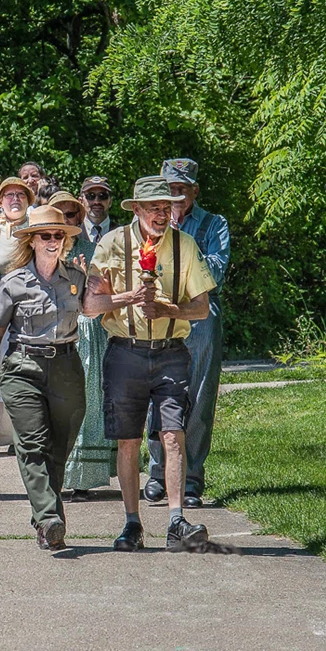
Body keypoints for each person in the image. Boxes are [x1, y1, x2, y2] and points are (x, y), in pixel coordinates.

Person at [83, 176, 217, 552]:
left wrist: (169, 308)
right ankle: (132, 523)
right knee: (128, 441)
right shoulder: (110, 244)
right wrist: (128, 297)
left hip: (171, 351)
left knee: (172, 435)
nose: (162, 213)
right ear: (137, 209)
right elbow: (91, 307)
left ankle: (176, 521)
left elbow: (202, 307)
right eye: (154, 207)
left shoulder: (185, 245)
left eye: (167, 206)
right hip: (124, 351)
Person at [0, 206, 87, 550]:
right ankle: (50, 518)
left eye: (58, 235)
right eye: (45, 235)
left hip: (67, 366)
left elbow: (97, 305)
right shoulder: (14, 282)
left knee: (61, 444)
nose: (52, 240)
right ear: (32, 240)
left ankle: (43, 514)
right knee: (32, 444)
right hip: (23, 369)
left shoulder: (77, 278)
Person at [145, 159, 230, 508]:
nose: (175, 196)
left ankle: (191, 478)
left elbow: (216, 273)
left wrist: (179, 245)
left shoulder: (214, 224)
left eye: (181, 188)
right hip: (160, 318)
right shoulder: (150, 222)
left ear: (195, 190)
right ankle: (156, 473)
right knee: (158, 393)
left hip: (200, 320)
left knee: (198, 397)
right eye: (170, 188)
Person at [63, 177, 118, 501]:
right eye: (91, 196)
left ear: (110, 200)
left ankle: (105, 468)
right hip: (80, 328)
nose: (96, 201)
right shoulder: (71, 237)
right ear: (82, 200)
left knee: (108, 399)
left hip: (114, 327)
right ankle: (80, 477)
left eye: (102, 196)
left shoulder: (120, 237)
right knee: (84, 399)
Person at [0, 177, 34, 274]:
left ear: (28, 201)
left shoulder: (37, 228)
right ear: (0, 202)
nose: (15, 198)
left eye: (21, 194)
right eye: (10, 194)